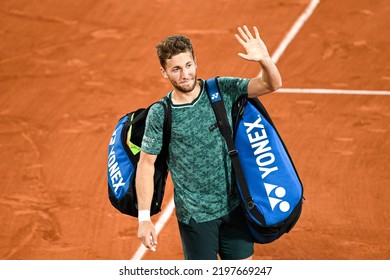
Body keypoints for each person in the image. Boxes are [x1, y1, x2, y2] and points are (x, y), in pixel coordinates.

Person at [135, 25, 282, 260]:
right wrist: (144, 218)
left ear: (195, 62)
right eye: (176, 69)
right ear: (164, 73)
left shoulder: (222, 89)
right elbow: (146, 164)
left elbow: (271, 84)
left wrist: (265, 60)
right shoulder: (161, 113)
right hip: (196, 217)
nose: (185, 74)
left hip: (235, 207)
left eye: (188, 65)